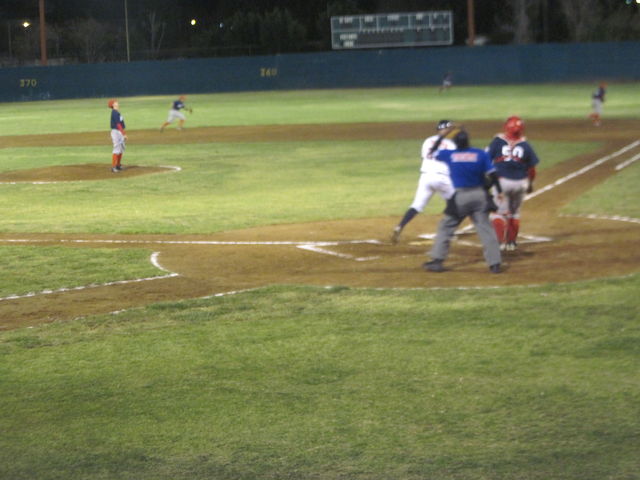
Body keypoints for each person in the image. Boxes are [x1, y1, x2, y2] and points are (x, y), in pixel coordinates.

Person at [424, 128, 503, 274]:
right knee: (485, 229)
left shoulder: (450, 155)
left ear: (455, 143)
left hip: (461, 197)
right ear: (468, 141)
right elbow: (493, 175)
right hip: (480, 196)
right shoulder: (480, 154)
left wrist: (441, 137)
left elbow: (431, 153)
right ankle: (495, 264)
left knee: (446, 227)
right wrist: (500, 191)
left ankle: (437, 260)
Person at [391, 120, 456, 244]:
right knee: (455, 204)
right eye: (449, 128)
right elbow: (454, 161)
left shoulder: (427, 141)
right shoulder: (450, 144)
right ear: (444, 129)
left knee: (417, 205)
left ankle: (399, 226)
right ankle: (448, 232)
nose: (451, 131)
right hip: (442, 179)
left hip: (425, 177)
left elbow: (425, 157)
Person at [486, 116, 539, 251]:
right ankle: (511, 243)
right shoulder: (525, 145)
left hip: (502, 182)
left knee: (498, 213)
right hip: (521, 183)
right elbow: (532, 170)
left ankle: (499, 243)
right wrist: (530, 184)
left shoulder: (497, 142)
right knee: (514, 213)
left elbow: (486, 160)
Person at [108, 99, 126, 173]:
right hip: (116, 132)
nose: (117, 103)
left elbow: (121, 124)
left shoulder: (117, 112)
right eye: (116, 102)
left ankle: (118, 165)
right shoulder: (114, 113)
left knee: (121, 148)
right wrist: (124, 133)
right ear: (113, 105)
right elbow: (118, 124)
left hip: (119, 132)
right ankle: (113, 167)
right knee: (117, 148)